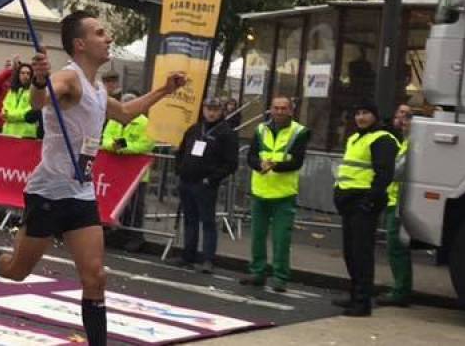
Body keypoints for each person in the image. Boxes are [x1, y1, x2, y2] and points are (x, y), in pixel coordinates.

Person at [0, 10, 186, 346]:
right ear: (80, 44)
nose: (109, 38)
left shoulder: (97, 89)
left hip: (81, 193)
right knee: (16, 270)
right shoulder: (69, 79)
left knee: (96, 277)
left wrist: (164, 89)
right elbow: (41, 100)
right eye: (100, 33)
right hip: (48, 194)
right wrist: (37, 81)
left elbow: (126, 112)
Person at [332, 100, 398, 317]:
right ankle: (354, 295)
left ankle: (362, 302)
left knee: (361, 254)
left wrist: (369, 200)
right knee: (350, 253)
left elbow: (384, 174)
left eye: (366, 113)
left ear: (375, 116)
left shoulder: (382, 139)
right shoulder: (354, 138)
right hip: (350, 202)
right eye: (358, 113)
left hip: (364, 203)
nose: (361, 117)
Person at [240, 96, 310, 292]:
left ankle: (280, 277)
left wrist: (275, 166)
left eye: (283, 108)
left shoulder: (299, 132)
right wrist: (258, 164)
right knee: (257, 236)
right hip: (260, 191)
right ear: (270, 109)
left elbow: (297, 161)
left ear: (291, 111)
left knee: (281, 239)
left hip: (283, 193)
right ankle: (258, 272)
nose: (279, 111)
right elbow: (251, 156)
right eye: (276, 108)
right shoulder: (261, 129)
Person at [172, 97, 239, 273]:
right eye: (209, 109)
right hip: (187, 181)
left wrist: (211, 179)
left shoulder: (226, 133)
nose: (211, 112)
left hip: (206, 184)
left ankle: (208, 259)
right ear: (203, 109)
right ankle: (188, 255)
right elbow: (181, 151)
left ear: (222, 111)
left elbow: (231, 163)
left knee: (208, 222)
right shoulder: (194, 129)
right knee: (190, 220)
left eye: (215, 109)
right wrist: (179, 170)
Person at [101, 92, 156, 253]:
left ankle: (136, 237)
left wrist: (122, 147)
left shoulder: (145, 123)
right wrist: (113, 146)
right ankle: (119, 234)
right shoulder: (113, 121)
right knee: (119, 206)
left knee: (135, 208)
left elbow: (145, 145)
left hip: (137, 174)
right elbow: (105, 139)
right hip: (117, 172)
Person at [379, 103, 413, 307]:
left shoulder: (412, 143)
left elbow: (398, 171)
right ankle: (400, 288)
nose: (403, 121)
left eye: (408, 117)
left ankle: (401, 290)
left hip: (400, 203)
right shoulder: (402, 140)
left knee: (396, 247)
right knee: (396, 247)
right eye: (401, 115)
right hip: (395, 200)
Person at [1, 63, 38, 138]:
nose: (25, 75)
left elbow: (28, 114)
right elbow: (4, 109)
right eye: (22, 73)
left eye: (28, 73)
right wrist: (7, 114)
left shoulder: (34, 91)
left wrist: (9, 116)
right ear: (18, 75)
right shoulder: (12, 91)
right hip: (8, 133)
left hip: (25, 134)